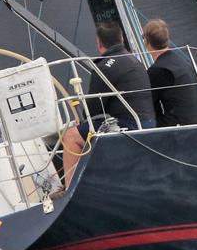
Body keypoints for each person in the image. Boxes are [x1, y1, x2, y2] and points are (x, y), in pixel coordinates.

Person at [61, 22, 156, 187]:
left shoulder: (103, 67)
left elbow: (91, 111)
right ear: (121, 39)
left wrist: (81, 118)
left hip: (129, 126)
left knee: (71, 136)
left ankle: (71, 189)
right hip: (149, 124)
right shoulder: (134, 60)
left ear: (99, 44)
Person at [143, 19, 197, 127]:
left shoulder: (158, 70)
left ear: (146, 42)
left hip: (176, 127)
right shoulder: (183, 61)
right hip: (196, 121)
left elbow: (148, 105)